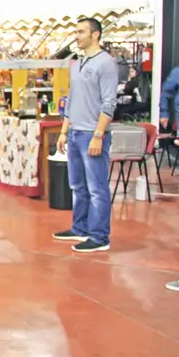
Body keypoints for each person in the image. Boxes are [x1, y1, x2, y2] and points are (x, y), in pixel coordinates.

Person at [53, 18, 118, 253]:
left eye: (81, 32)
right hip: (74, 134)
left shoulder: (106, 64)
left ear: (96, 34)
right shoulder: (77, 63)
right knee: (77, 185)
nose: (76, 35)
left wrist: (98, 135)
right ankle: (80, 228)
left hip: (92, 134)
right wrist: (64, 131)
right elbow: (71, 99)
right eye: (76, 31)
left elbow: (109, 102)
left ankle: (100, 237)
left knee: (96, 188)